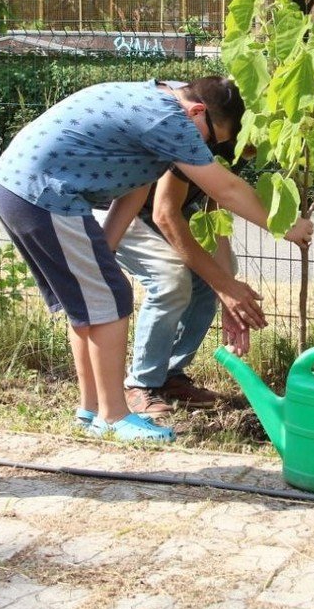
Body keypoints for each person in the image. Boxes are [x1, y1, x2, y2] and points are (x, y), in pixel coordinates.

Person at [0, 75, 313, 443]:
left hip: (23, 187)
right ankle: (115, 415)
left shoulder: (162, 101)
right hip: (42, 193)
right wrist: (286, 225)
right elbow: (225, 187)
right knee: (109, 300)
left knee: (90, 302)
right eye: (208, 139)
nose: (204, 149)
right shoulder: (169, 118)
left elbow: (135, 184)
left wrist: (106, 246)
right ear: (198, 112)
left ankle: (92, 410)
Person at [94, 136, 264, 416]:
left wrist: (225, 287)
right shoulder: (200, 134)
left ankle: (170, 375)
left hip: (169, 211)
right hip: (118, 209)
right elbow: (164, 213)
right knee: (170, 280)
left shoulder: (234, 144)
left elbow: (214, 207)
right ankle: (141, 384)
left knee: (213, 279)